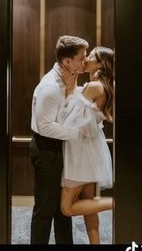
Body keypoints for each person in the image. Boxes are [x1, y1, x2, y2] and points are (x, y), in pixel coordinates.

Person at [29, 35, 89, 244]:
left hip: (61, 148)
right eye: (82, 58)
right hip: (46, 150)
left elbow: (65, 113)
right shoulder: (50, 87)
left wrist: (73, 90)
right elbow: (45, 126)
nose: (85, 61)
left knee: (64, 209)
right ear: (67, 62)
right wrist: (77, 133)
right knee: (45, 210)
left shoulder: (68, 80)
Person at [58, 46, 114, 244]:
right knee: (89, 209)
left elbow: (67, 117)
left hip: (80, 150)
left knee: (67, 207)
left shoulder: (94, 87)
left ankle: (115, 202)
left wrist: (68, 86)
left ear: (100, 64)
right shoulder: (99, 86)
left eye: (91, 57)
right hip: (91, 147)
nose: (86, 59)